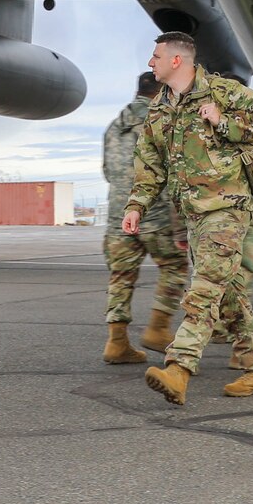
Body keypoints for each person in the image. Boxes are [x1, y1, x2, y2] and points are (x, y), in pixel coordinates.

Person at [124, 30, 253, 405]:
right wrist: (136, 206)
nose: (152, 63)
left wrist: (225, 122)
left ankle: (179, 369)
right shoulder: (160, 108)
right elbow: (149, 164)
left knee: (203, 292)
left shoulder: (222, 93)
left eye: (157, 56)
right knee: (227, 296)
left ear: (177, 60)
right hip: (194, 215)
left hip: (228, 210)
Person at [102, 70, 188, 363]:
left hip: (118, 217)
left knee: (121, 277)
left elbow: (108, 172)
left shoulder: (115, 126)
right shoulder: (166, 123)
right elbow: (177, 177)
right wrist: (181, 230)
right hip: (155, 215)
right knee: (175, 266)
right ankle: (158, 329)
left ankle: (116, 343)